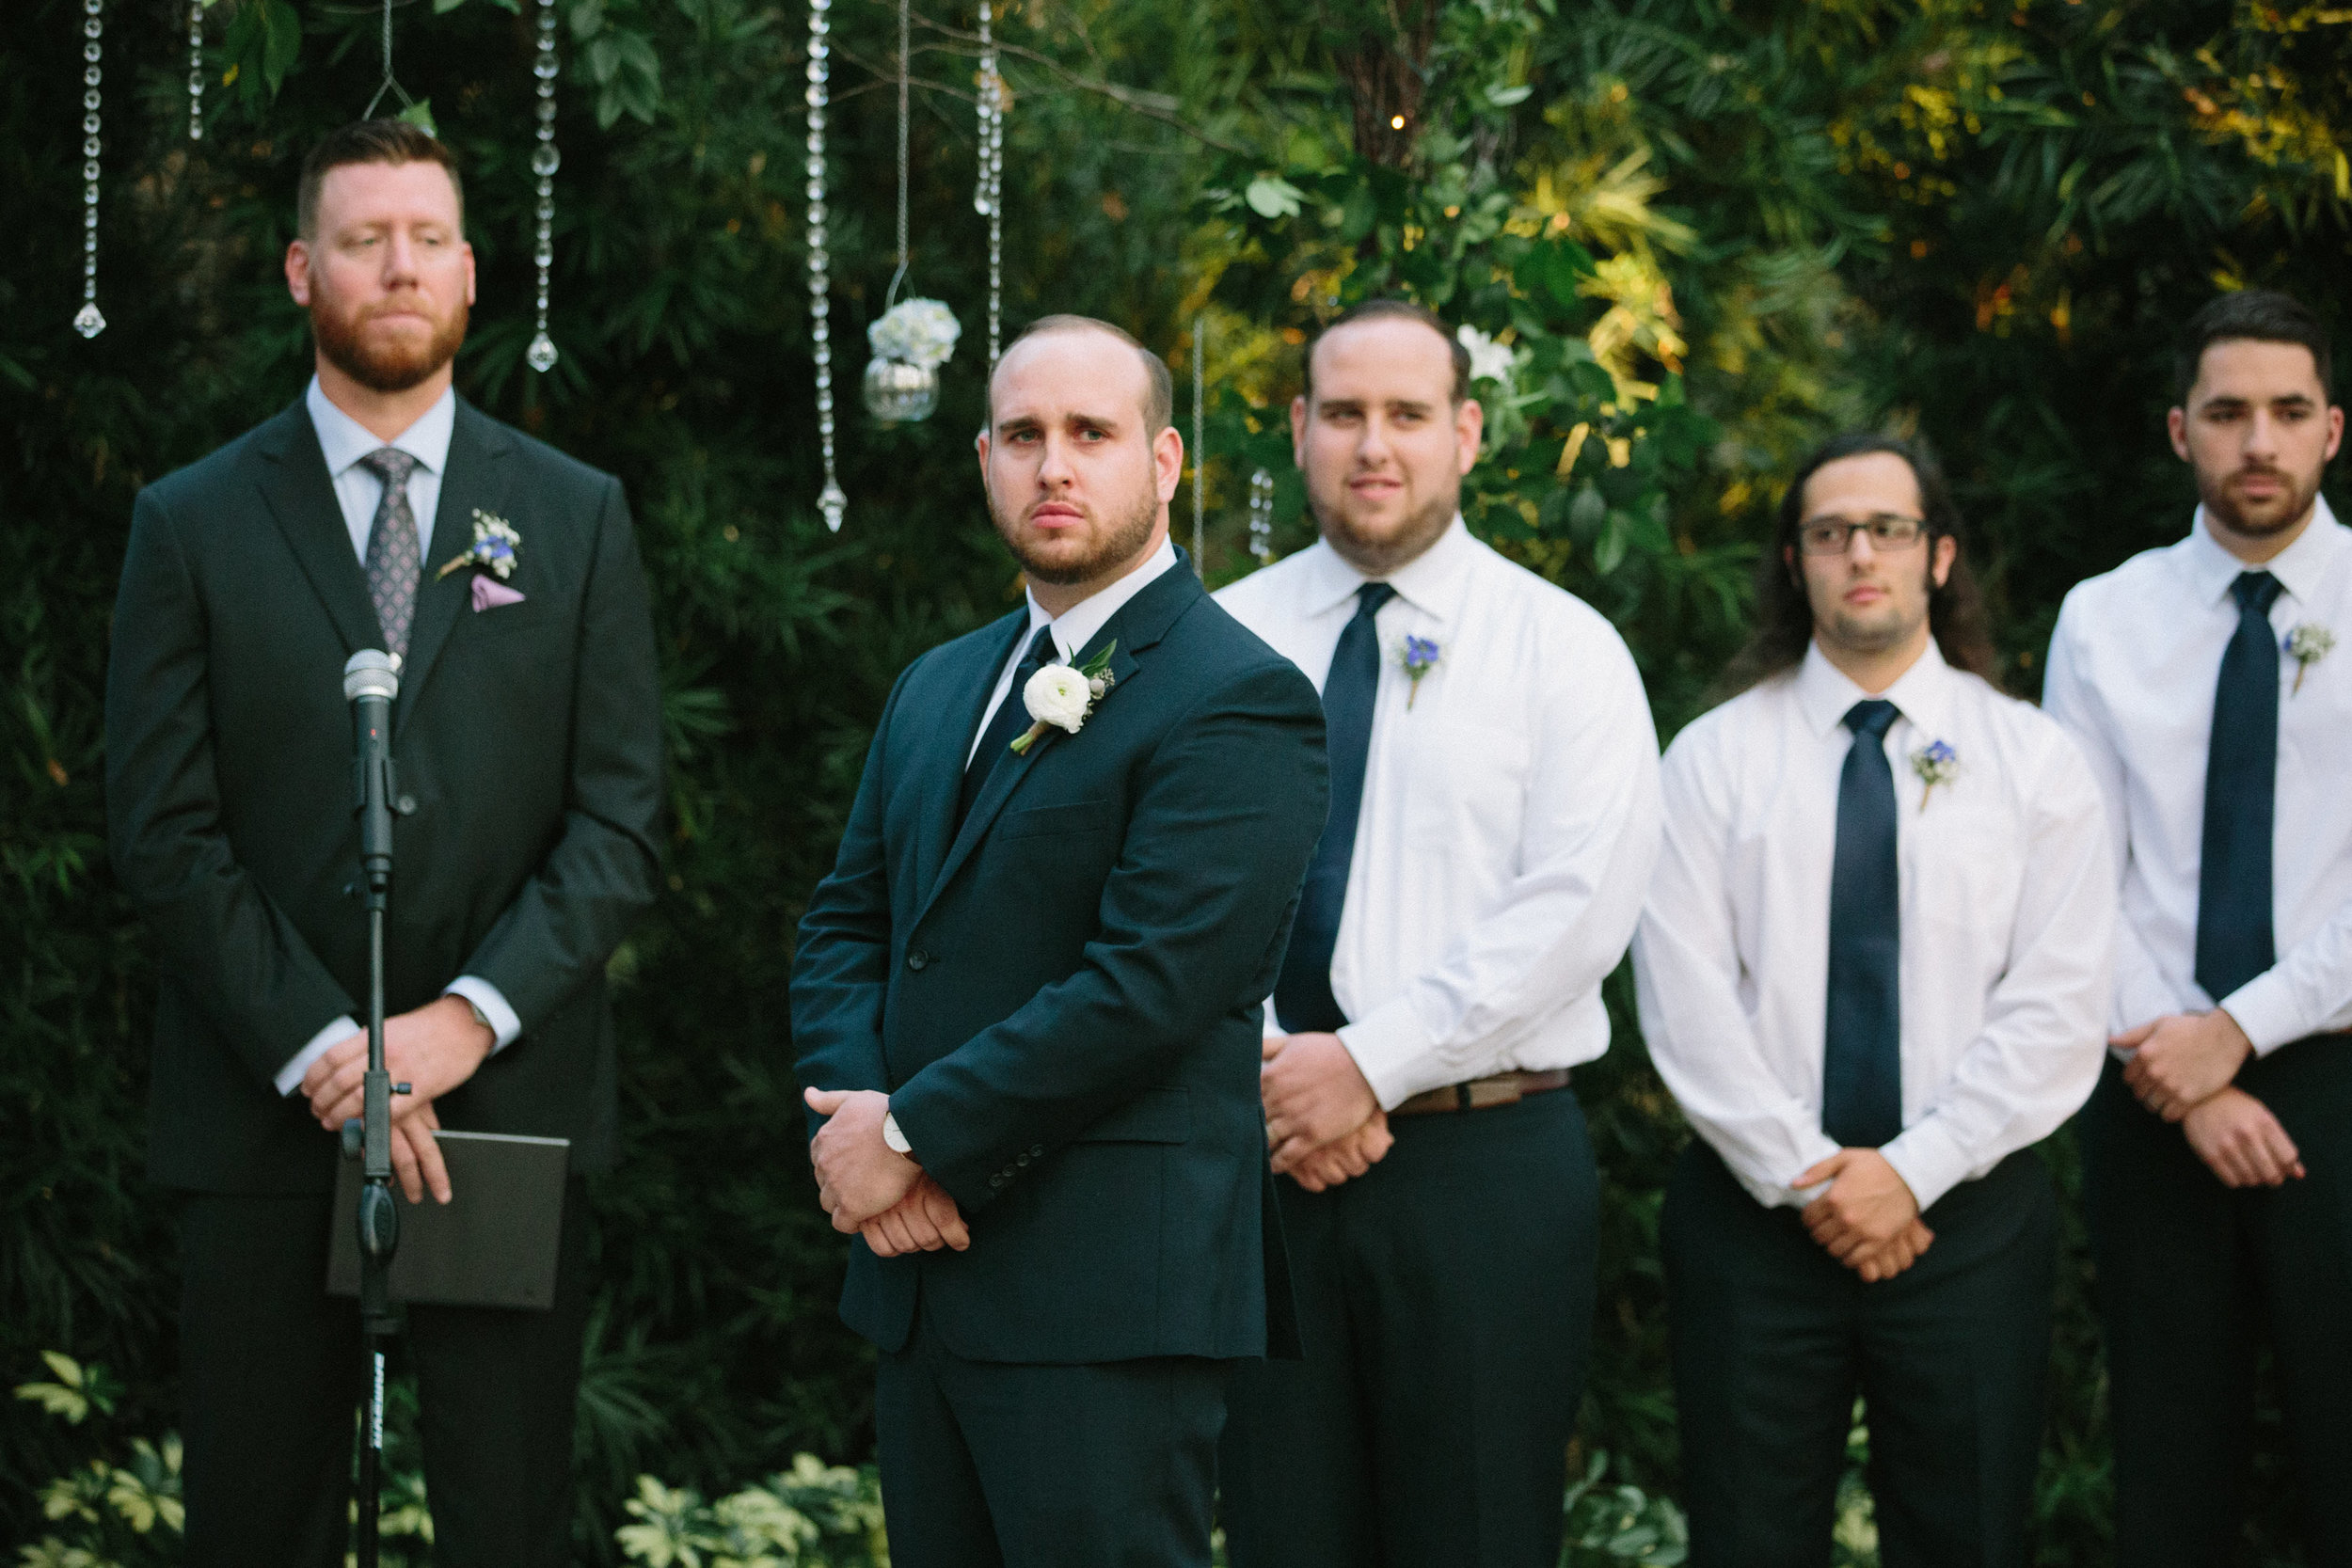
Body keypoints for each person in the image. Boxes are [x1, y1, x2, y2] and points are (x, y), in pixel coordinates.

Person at [103, 120, 664, 1568]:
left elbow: (618, 822)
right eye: (363, 238)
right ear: (303, 268)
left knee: (507, 1523)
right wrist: (332, 1049)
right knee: (253, 1521)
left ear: (472, 271)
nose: (398, 264)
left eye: (426, 236)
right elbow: (163, 831)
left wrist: (458, 1026)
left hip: (506, 1110)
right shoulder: (191, 521)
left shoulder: (576, 516)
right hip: (260, 1109)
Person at [789, 314, 1329, 1568]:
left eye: (1092, 433)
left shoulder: (1237, 694)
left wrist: (914, 1136)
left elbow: (1150, 985)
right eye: (1024, 436)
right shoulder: (937, 682)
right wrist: (857, 1116)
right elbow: (849, 920)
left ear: (1167, 458)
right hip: (923, 1279)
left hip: (1105, 1295)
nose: (1055, 465)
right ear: (983, 458)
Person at [1212, 298, 1662, 1568]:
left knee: (1475, 1533)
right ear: (1298, 429)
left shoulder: (1564, 648)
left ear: (1467, 432)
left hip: (1487, 1164)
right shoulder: (1217, 639)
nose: (1374, 443)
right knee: (1281, 1535)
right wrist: (1272, 1066)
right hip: (1257, 1155)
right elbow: (1161, 889)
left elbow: (1577, 906)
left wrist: (1364, 1060)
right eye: (1344, 412)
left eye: (1407, 413)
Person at [1633, 434, 2113, 1568]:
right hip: (1755, 1214)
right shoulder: (1709, 761)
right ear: (1793, 562)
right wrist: (1815, 1177)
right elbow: (1685, 1000)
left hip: (1969, 1216)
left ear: (1938, 556)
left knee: (1968, 1537)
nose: (1861, 552)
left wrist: (1912, 1169)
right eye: (1829, 531)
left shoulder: (2032, 761)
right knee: (1749, 1540)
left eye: (1888, 529)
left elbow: (2056, 1004)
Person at [2042, 289, 2352, 1565]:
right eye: (2228, 413)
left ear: (2334, 428)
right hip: (2149, 1080)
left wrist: (2245, 1027)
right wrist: (2182, 1063)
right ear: (2181, 431)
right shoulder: (2104, 619)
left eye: (2288, 412)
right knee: (2172, 1468)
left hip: (2337, 1068)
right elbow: (2071, 874)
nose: (2258, 441)